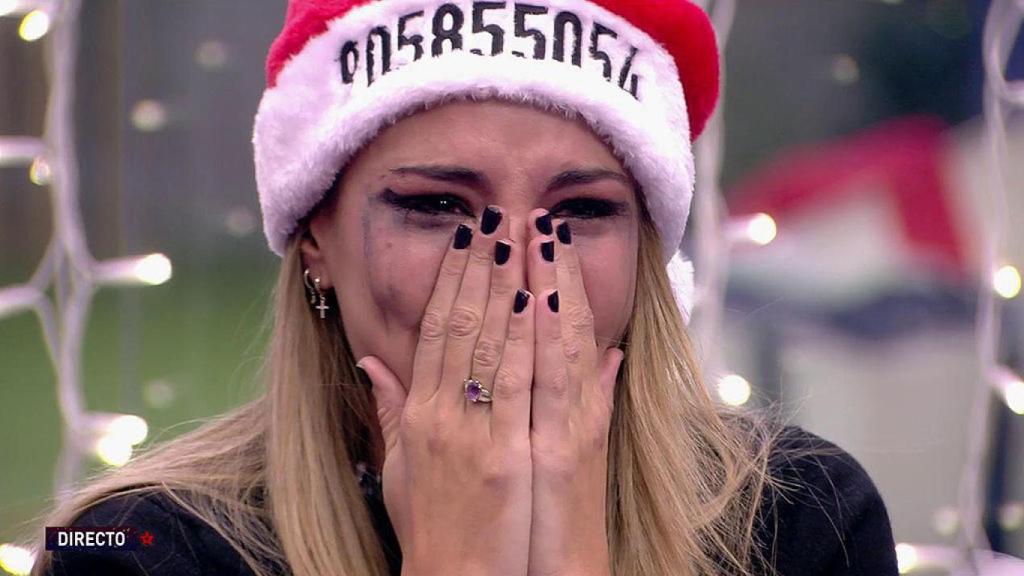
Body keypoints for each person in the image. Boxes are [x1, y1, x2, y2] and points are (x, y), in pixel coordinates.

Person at [33, 1, 899, 575]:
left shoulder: (799, 519)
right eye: (438, 205)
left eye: (582, 211)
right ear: (314, 242)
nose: (514, 266)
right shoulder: (135, 547)